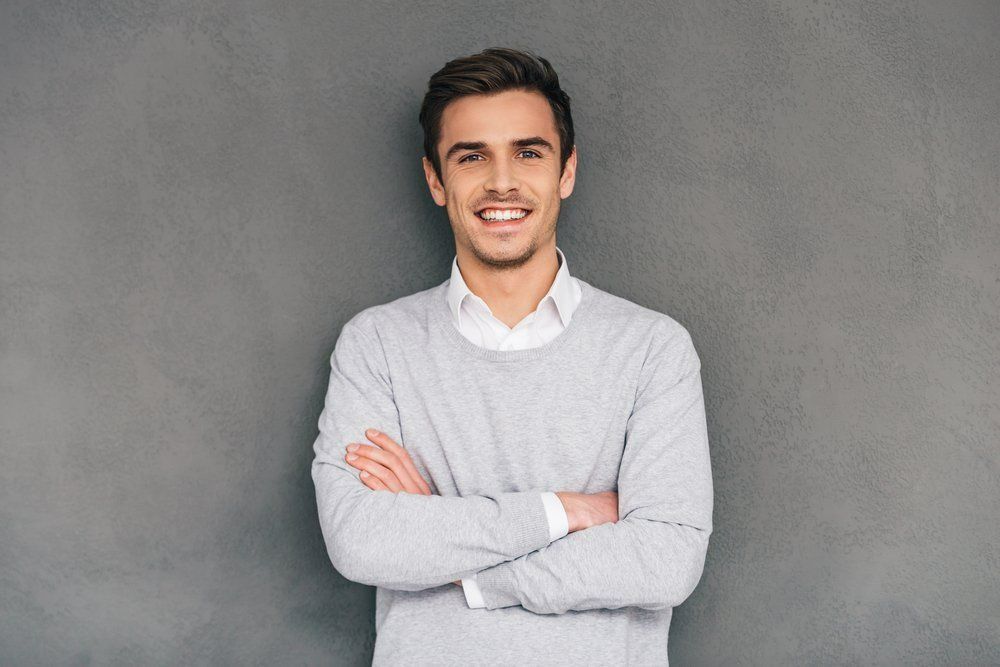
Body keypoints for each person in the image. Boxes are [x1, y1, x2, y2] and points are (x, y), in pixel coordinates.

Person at [311, 47, 713, 666]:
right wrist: (566, 512)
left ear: (566, 171)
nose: (502, 182)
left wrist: (452, 552)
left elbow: (665, 561)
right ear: (435, 180)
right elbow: (363, 543)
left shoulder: (652, 349)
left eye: (528, 153)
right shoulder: (378, 345)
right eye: (472, 156)